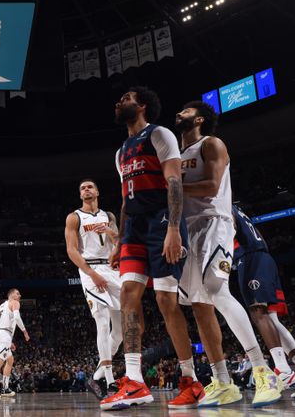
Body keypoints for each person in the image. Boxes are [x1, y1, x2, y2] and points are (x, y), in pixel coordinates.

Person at [175, 101, 281, 408]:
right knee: (199, 306)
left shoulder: (211, 143)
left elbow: (211, 186)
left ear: (200, 118)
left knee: (218, 291)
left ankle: (264, 372)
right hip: (187, 230)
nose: (179, 113)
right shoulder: (175, 156)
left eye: (186, 110)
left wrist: (173, 187)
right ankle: (223, 383)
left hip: (214, 224)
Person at [100, 87, 194, 410]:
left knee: (166, 300)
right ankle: (135, 381)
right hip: (135, 229)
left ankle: (189, 380)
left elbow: (174, 182)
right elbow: (126, 199)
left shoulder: (160, 135)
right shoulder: (120, 152)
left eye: (125, 97)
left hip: (162, 221)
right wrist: (120, 240)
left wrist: (172, 229)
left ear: (140, 105)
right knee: (128, 293)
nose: (118, 101)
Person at [232, 204, 295, 400]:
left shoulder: (222, 205)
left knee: (258, 313)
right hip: (264, 258)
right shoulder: (240, 211)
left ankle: (282, 368)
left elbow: (230, 227)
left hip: (250, 259)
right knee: (272, 320)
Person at [63, 179, 122, 398]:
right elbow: (71, 250)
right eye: (82, 188)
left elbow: (120, 243)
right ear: (80, 195)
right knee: (102, 321)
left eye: (90, 187)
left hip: (112, 269)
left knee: (121, 329)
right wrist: (92, 274)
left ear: (97, 191)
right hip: (91, 271)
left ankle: (96, 376)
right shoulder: (74, 217)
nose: (86, 190)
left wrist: (111, 232)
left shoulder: (110, 216)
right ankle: (110, 380)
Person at [0, 289, 29, 399]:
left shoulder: (2, 305)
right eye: (18, 293)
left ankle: (5, 388)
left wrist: (10, 341)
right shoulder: (15, 302)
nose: (20, 295)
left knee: (10, 360)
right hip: (3, 335)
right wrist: (24, 331)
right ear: (11, 295)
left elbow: (6, 322)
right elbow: (17, 318)